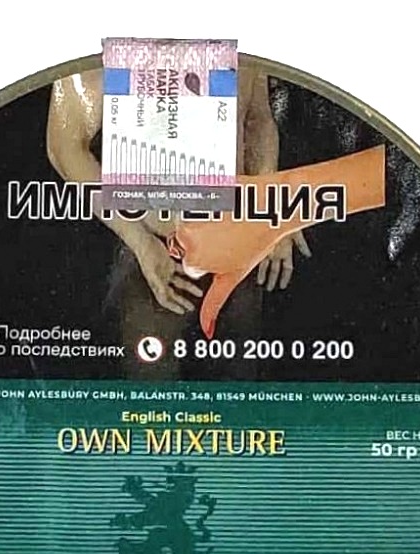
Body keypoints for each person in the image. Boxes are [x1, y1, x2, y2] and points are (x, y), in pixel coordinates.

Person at [46, 67, 310, 375]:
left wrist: (270, 209)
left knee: (237, 389)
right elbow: (63, 146)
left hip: (235, 243)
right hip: (154, 248)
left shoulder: (242, 40)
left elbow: (257, 119)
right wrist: (141, 243)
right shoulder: (103, 44)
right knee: (152, 388)